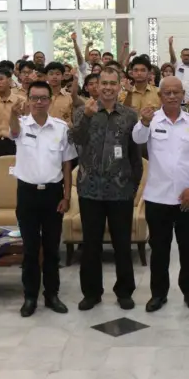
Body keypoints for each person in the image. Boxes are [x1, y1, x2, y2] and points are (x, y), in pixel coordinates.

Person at [132, 76, 189, 313]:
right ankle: (158, 294)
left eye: (177, 92)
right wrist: (143, 122)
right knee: (160, 250)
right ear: (160, 96)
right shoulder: (151, 120)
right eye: (168, 93)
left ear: (183, 95)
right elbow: (137, 138)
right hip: (158, 198)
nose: (173, 96)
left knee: (188, 250)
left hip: (187, 199)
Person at [70, 66, 143, 311]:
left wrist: (133, 186)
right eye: (104, 83)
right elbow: (75, 142)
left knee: (123, 243)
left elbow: (135, 155)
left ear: (120, 86)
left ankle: (124, 291)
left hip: (120, 190)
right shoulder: (83, 112)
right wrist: (88, 118)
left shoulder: (129, 116)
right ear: (96, 86)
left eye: (113, 83)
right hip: (90, 190)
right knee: (91, 244)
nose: (109, 88)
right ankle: (91, 292)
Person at [11, 80, 75, 317]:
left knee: (51, 249)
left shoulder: (61, 128)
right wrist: (12, 113)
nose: (39, 102)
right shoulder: (20, 124)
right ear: (28, 100)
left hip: (52, 194)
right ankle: (30, 297)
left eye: (43, 98)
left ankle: (52, 295)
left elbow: (67, 165)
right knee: (29, 249)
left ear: (50, 100)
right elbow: (12, 132)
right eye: (34, 98)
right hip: (27, 194)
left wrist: (67, 196)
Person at [168, 37, 189, 114]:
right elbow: (172, 57)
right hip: (177, 102)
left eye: (188, 55)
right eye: (184, 55)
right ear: (181, 56)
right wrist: (170, 45)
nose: (186, 57)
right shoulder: (176, 66)